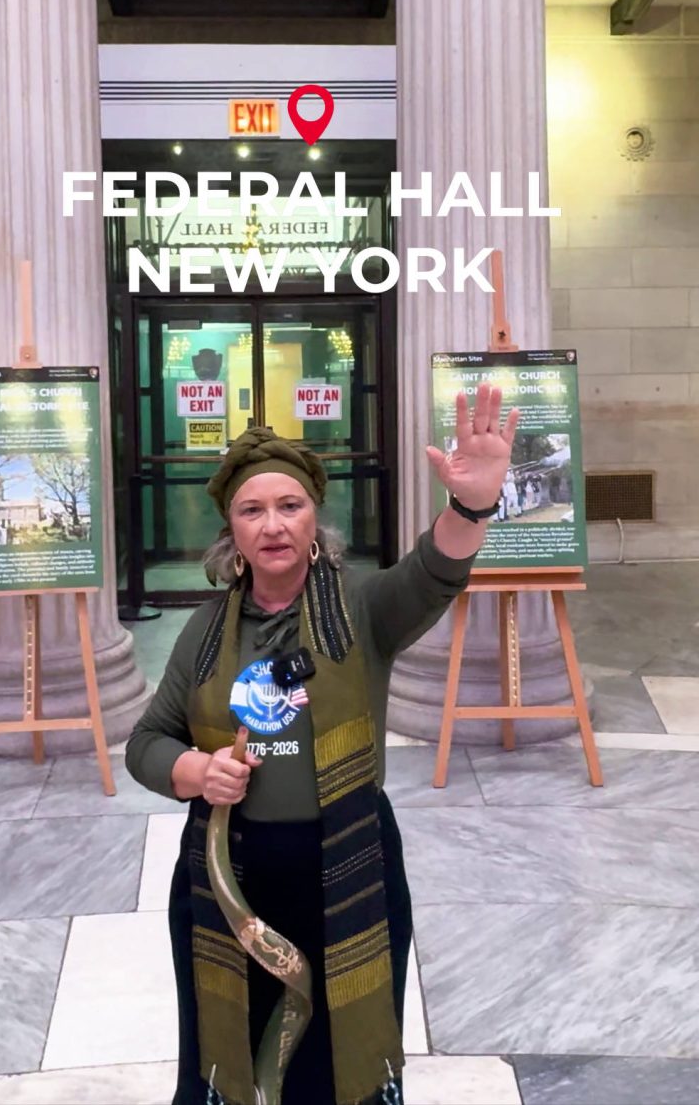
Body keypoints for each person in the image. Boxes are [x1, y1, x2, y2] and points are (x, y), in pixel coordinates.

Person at [126, 383, 518, 1105]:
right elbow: (146, 741)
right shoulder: (204, 634)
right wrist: (191, 768)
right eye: (252, 509)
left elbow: (436, 571)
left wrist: (470, 504)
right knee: (231, 1054)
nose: (272, 524)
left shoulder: (363, 609)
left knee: (340, 1059)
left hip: (347, 866)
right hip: (231, 879)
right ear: (231, 532)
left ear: (315, 520)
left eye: (290, 505)